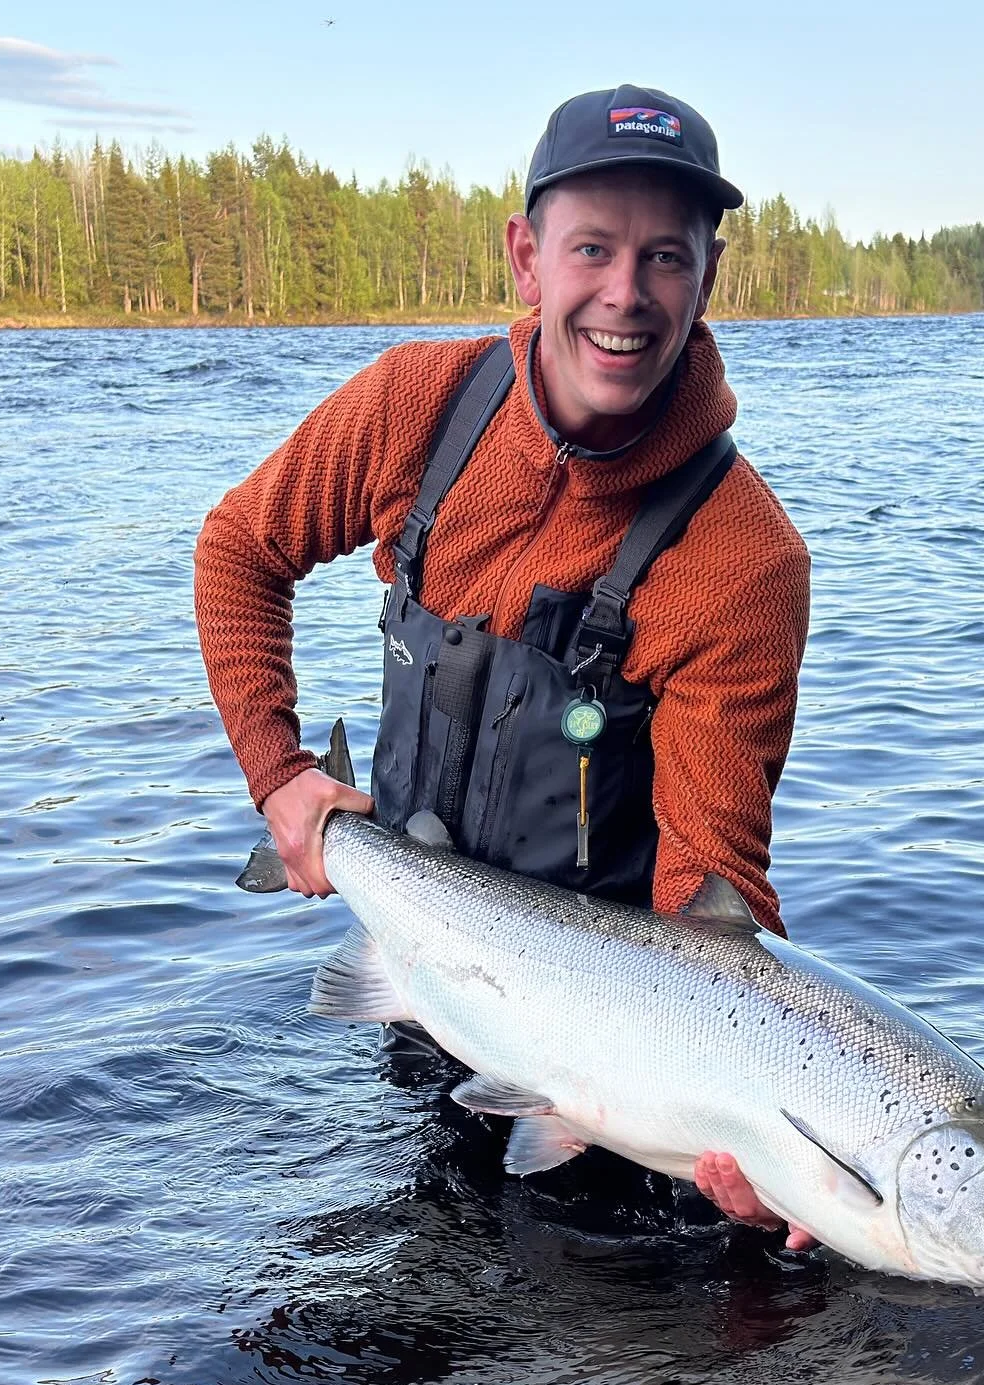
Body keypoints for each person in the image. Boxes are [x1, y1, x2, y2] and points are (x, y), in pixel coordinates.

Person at [194, 84, 814, 1249]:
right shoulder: (414, 409)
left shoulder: (744, 561)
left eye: (663, 257)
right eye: (594, 249)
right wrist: (278, 777)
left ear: (707, 279)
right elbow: (239, 548)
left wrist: (756, 1132)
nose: (625, 295)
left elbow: (710, 890)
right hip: (422, 983)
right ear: (528, 258)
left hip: (611, 1059)